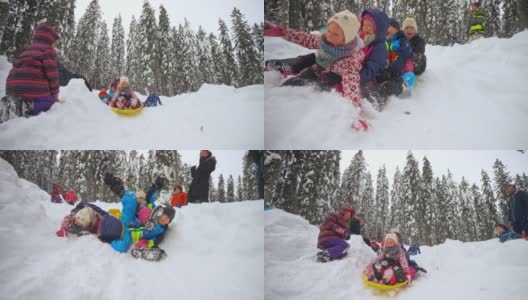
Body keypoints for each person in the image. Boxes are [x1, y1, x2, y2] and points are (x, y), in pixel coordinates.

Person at [264, 10, 365, 115]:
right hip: (317, 68)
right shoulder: (325, 41)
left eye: (335, 34)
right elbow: (306, 38)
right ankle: (284, 70)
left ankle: (286, 96)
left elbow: (351, 83)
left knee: (296, 86)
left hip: (329, 78)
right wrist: (281, 32)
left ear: (347, 39)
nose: (329, 35)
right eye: (329, 30)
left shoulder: (350, 59)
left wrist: (354, 110)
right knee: (292, 81)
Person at [1, 23, 60, 123]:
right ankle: (24, 106)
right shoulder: (48, 51)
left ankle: (11, 102)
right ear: (49, 39)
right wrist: (54, 96)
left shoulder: (27, 50)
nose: (55, 45)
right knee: (48, 102)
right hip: (32, 89)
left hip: (12, 87)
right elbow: (52, 75)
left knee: (21, 95)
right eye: (55, 42)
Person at [375, 19, 415, 97]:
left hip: (401, 72)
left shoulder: (403, 41)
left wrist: (390, 71)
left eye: (388, 27)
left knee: (410, 78)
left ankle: (387, 91)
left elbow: (402, 58)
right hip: (387, 71)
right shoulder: (384, 42)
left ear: (396, 29)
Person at [56, 201, 123, 243]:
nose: (75, 222)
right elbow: (83, 203)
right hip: (91, 216)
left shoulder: (102, 223)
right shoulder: (101, 215)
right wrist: (75, 212)